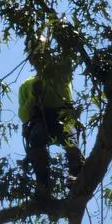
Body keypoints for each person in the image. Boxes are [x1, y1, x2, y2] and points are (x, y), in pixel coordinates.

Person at [18, 52, 84, 195]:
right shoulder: (27, 85)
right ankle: (43, 184)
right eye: (34, 58)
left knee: (70, 138)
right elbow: (23, 116)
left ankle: (77, 175)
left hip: (63, 116)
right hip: (40, 120)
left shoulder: (61, 75)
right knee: (36, 136)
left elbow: (67, 63)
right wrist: (33, 96)